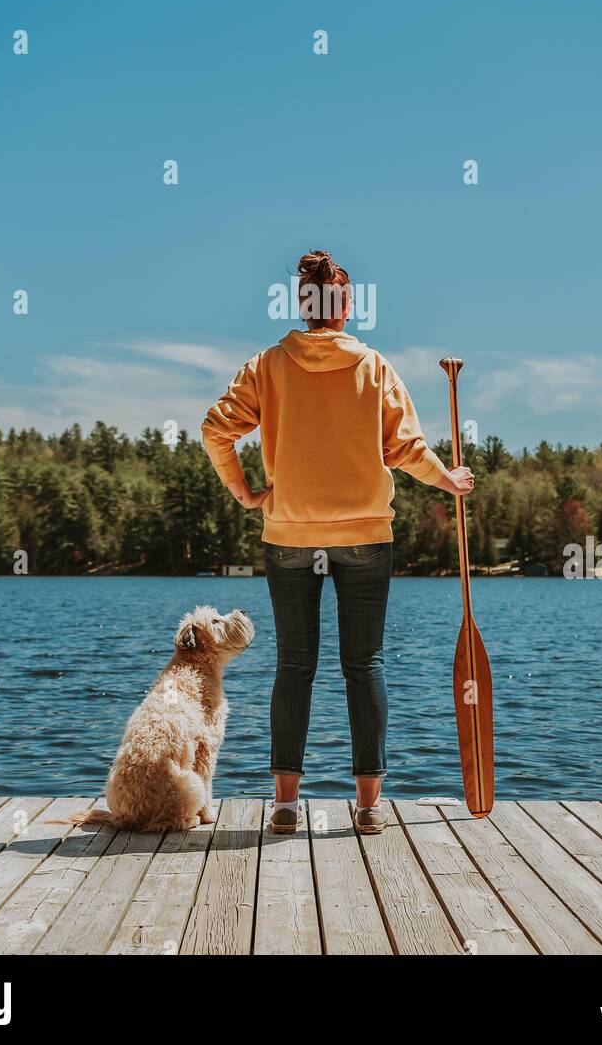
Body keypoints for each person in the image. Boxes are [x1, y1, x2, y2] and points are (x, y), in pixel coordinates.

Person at [201, 249, 474, 834]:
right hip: (364, 538)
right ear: (346, 305)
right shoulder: (373, 367)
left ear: (302, 304)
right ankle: (370, 808)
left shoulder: (268, 366)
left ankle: (283, 805)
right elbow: (405, 450)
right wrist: (448, 479)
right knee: (363, 664)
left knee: (294, 665)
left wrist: (245, 491)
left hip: (289, 537)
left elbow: (213, 428)